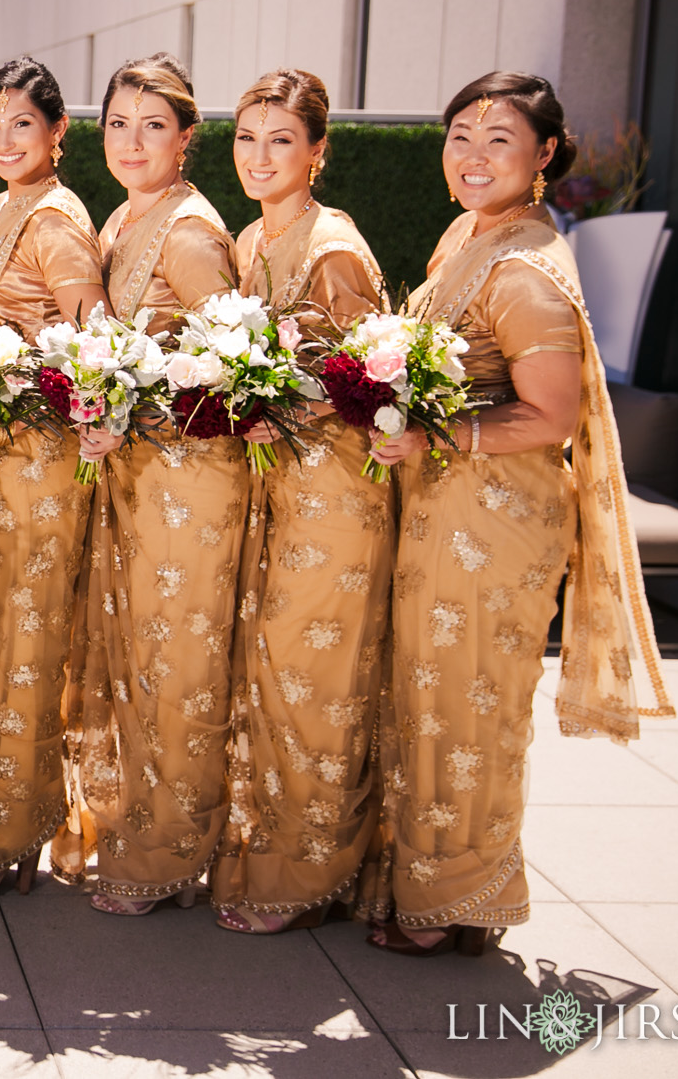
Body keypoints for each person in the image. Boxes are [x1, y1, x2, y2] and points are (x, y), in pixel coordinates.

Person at [364, 72, 673, 956]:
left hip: (495, 520)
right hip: (445, 510)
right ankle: (451, 888)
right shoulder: (468, 234)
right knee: (435, 698)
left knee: (471, 707)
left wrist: (433, 439)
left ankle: (455, 899)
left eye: (499, 139)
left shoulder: (528, 265)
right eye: (460, 134)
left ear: (543, 157)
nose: (472, 155)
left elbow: (553, 413)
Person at [210, 69, 393, 934]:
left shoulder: (333, 247)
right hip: (276, 484)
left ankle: (309, 873)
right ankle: (274, 848)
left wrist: (275, 399)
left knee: (311, 677)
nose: (259, 156)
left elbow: (371, 382)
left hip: (334, 494)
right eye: (247, 138)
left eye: (281, 140)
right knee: (271, 678)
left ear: (318, 150)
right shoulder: (251, 239)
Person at [76, 54, 247, 915]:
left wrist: (135, 409)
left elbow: (234, 370)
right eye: (117, 123)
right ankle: (145, 829)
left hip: (191, 482)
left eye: (153, 125)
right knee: (142, 663)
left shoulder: (188, 232)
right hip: (139, 475)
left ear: (186, 138)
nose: (132, 141)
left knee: (180, 664)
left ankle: (172, 854)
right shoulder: (122, 221)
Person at [0, 58, 106, 899]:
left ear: (57, 132)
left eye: (23, 125)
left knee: (28, 645)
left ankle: (12, 836)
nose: (5, 141)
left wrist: (7, 393)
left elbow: (88, 355)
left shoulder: (57, 220)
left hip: (40, 463)